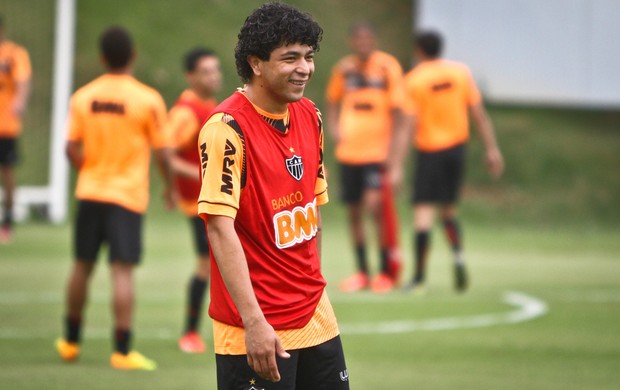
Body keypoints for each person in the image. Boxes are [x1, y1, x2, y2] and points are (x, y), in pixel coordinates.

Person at [197, 3, 349, 389]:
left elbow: (312, 212)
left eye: (309, 57)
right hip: (257, 325)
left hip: (316, 315)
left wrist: (313, 281)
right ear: (256, 63)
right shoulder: (227, 129)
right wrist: (254, 322)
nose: (305, 68)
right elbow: (219, 229)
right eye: (290, 58)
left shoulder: (310, 115)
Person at [55, 26, 174, 370]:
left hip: (91, 191)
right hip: (127, 197)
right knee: (122, 271)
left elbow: (69, 147)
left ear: (102, 58)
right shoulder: (148, 99)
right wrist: (167, 185)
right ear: (133, 55)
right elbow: (163, 154)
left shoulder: (83, 96)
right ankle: (122, 351)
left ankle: (70, 342)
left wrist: (88, 171)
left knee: (82, 265)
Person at [389, 30, 504, 294]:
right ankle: (458, 255)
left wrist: (397, 167)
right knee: (449, 211)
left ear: (419, 50)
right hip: (457, 151)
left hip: (430, 152)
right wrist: (492, 149)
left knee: (423, 213)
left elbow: (407, 126)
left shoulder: (415, 79)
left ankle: (418, 279)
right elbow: (478, 113)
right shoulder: (460, 73)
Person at [325, 22, 405, 293]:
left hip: (376, 153)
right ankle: (361, 271)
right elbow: (332, 101)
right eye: (358, 39)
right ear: (352, 42)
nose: (363, 44)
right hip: (349, 153)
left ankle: (385, 271)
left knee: (375, 208)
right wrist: (334, 128)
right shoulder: (344, 70)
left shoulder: (387, 67)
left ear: (374, 40)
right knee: (354, 213)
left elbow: (398, 112)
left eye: (367, 38)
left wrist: (395, 159)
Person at [166, 47, 221, 353]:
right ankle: (189, 333)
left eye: (216, 70)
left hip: (211, 200)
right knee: (206, 265)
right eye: (206, 71)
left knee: (218, 264)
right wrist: (199, 175)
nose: (213, 76)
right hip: (197, 203)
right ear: (191, 76)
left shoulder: (208, 105)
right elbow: (165, 153)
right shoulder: (185, 112)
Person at [0, 15, 31, 243]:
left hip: (6, 125)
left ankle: (8, 220)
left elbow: (22, 81)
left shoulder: (14, 54)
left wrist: (19, 101)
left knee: (8, 172)